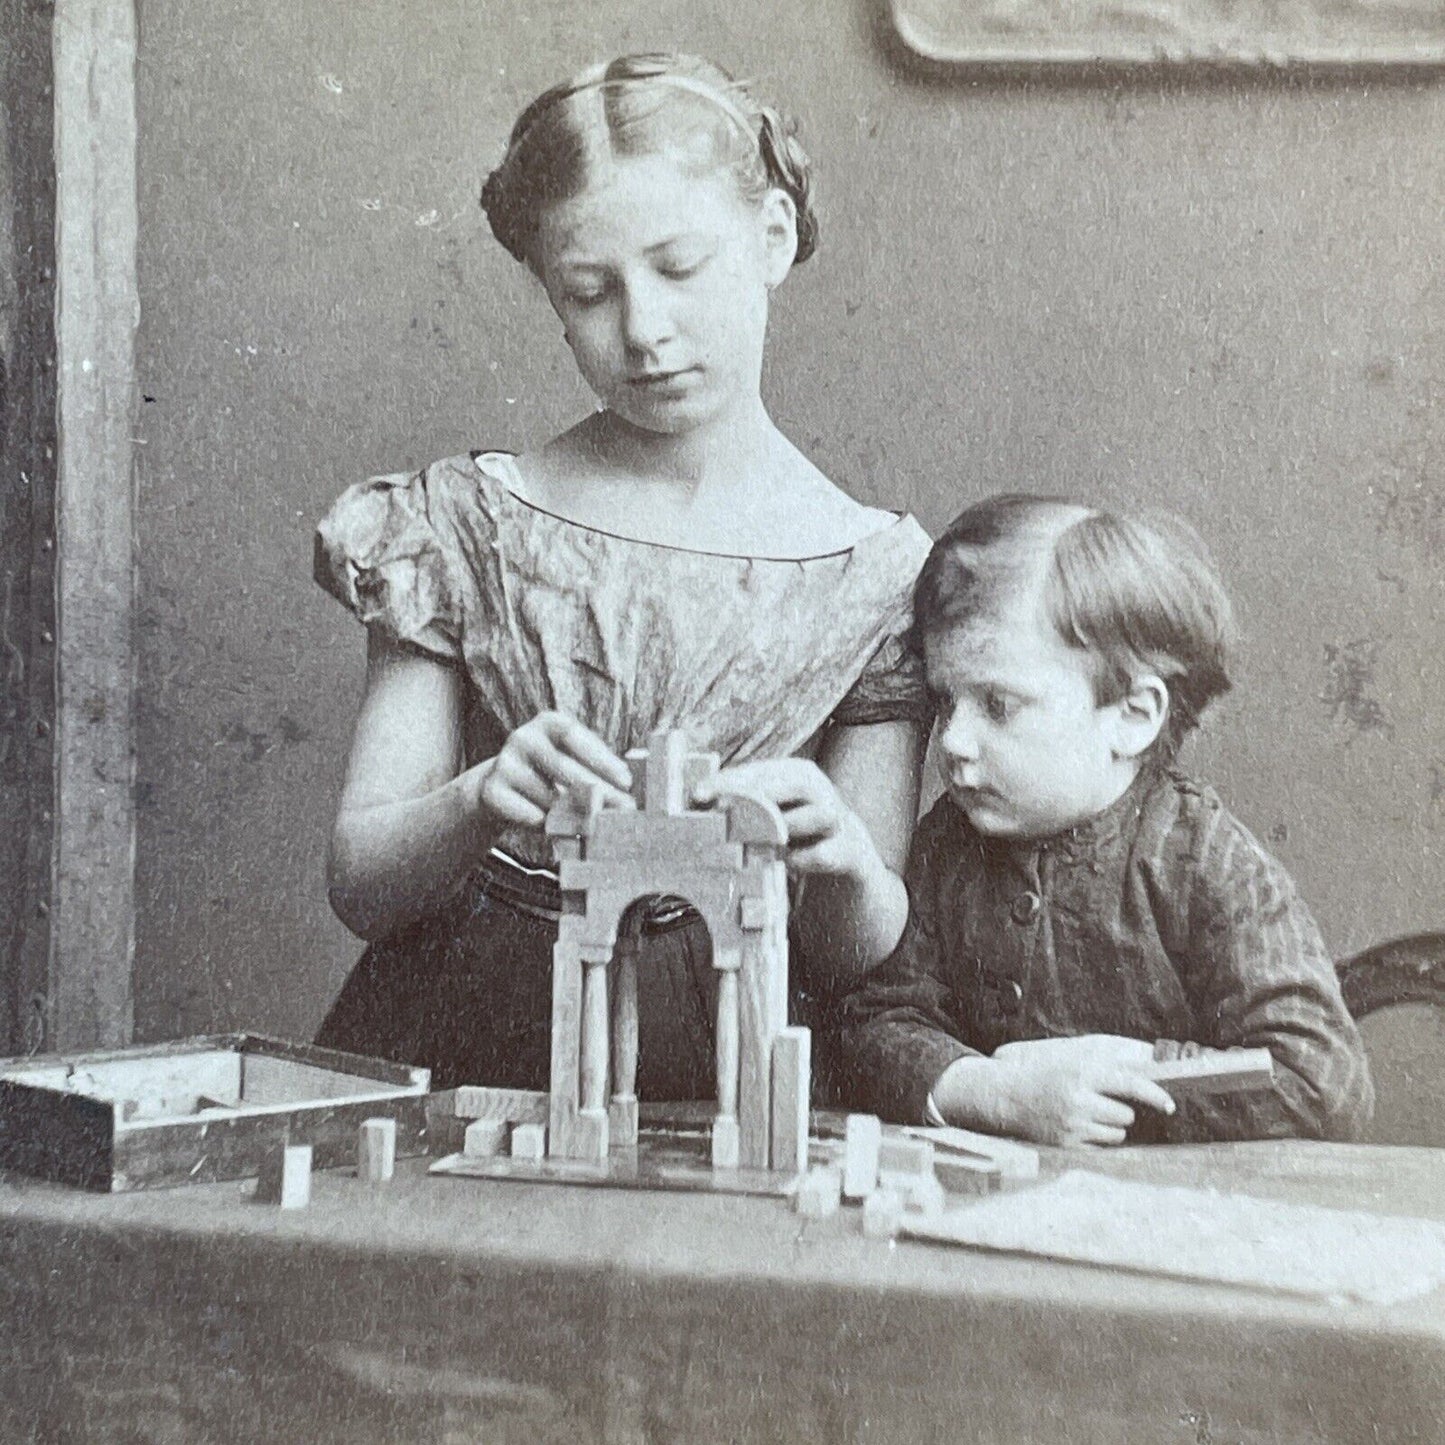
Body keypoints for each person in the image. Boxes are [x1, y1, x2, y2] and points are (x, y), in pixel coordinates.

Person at [311, 54, 933, 1095]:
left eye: (680, 266)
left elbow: (853, 952)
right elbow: (362, 885)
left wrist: (844, 861)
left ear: (771, 237)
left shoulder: (872, 573)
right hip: (460, 1036)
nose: (642, 330)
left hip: (729, 1063)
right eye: (589, 291)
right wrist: (478, 798)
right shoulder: (465, 523)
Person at [836, 494, 1373, 1145]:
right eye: (946, 700)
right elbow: (873, 1022)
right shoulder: (949, 843)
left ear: (1132, 715)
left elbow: (1320, 1083)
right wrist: (991, 1091)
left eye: (997, 704)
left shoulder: (1204, 861)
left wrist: (1126, 1075)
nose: (951, 740)